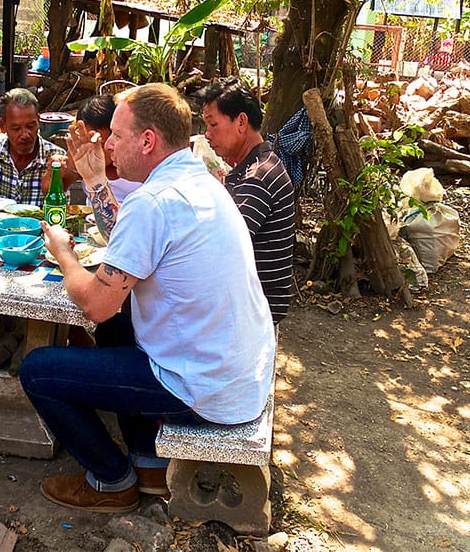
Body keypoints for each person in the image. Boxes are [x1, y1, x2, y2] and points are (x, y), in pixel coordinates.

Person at [20, 83, 275, 512]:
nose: (109, 146)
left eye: (116, 136)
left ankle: (111, 480)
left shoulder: (154, 202)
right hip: (238, 371)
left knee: (38, 370)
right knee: (119, 325)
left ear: (148, 140)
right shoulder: (198, 178)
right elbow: (127, 237)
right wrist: (95, 177)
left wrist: (64, 254)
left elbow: (95, 303)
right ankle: (149, 462)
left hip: (206, 390)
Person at [197, 77, 296, 324]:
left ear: (241, 122)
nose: (207, 136)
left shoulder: (257, 177)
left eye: (213, 125)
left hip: (251, 313)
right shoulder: (258, 163)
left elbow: (222, 246)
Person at [0, 88, 78, 204]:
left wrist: (52, 174)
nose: (25, 135)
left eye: (31, 126)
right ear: (2, 126)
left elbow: (59, 208)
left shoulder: (56, 158)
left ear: (39, 121)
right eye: (16, 128)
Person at [76, 94, 140, 207]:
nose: (94, 152)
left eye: (100, 143)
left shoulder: (138, 168)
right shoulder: (82, 154)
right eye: (88, 143)